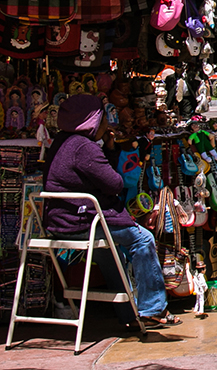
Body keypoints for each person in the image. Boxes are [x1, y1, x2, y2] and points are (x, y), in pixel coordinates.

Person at [43, 95, 181, 328]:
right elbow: (115, 184)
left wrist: (107, 148)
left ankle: (128, 315)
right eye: (104, 119)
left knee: (111, 255)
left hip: (59, 223)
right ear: (92, 121)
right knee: (143, 239)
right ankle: (153, 308)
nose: (108, 125)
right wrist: (110, 149)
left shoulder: (61, 142)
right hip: (82, 224)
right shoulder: (84, 148)